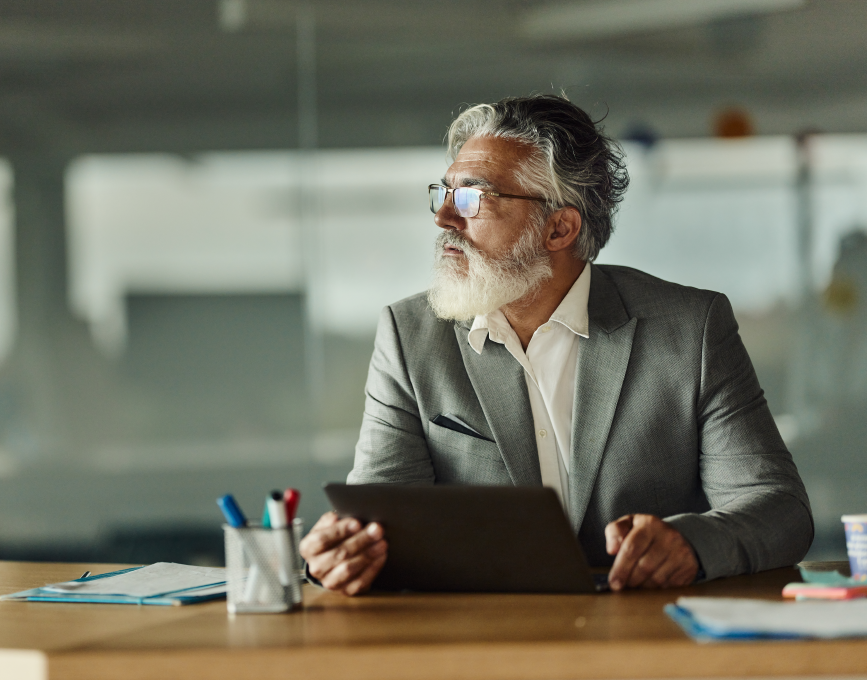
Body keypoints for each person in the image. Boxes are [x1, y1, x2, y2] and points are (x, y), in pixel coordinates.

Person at [298, 94, 813, 595]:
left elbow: (778, 509)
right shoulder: (409, 336)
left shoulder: (690, 328)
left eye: (472, 197)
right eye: (444, 192)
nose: (444, 219)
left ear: (560, 227)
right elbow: (375, 521)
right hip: (483, 643)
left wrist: (690, 546)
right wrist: (337, 557)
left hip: (649, 635)